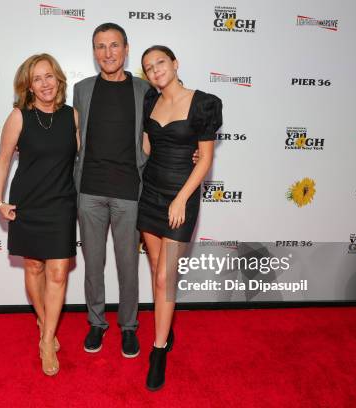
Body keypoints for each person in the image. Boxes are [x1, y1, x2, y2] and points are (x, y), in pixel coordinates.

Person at [137, 45, 222, 391]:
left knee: (164, 279)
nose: (155, 70)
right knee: (158, 271)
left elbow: (204, 160)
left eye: (160, 63)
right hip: (151, 194)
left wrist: (181, 199)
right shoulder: (149, 102)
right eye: (148, 67)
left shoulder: (203, 103)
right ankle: (165, 326)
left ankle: (158, 352)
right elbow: (146, 147)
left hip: (180, 200)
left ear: (175, 64)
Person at [0, 53, 79, 376]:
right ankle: (45, 320)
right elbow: (3, 160)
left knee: (58, 272)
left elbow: (88, 156)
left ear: (58, 79)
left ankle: (46, 339)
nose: (45, 84)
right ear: (28, 87)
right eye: (37, 79)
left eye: (49, 76)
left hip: (61, 203)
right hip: (28, 202)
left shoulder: (73, 116)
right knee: (33, 266)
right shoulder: (19, 116)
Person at [72, 23, 152, 358]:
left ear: (126, 48)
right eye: (100, 46)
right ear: (94, 52)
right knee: (92, 263)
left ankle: (129, 327)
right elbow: (72, 135)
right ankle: (96, 322)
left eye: (114, 45)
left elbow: (163, 128)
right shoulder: (82, 89)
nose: (107, 53)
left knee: (128, 266)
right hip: (89, 190)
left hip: (128, 191)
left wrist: (193, 149)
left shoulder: (145, 89)